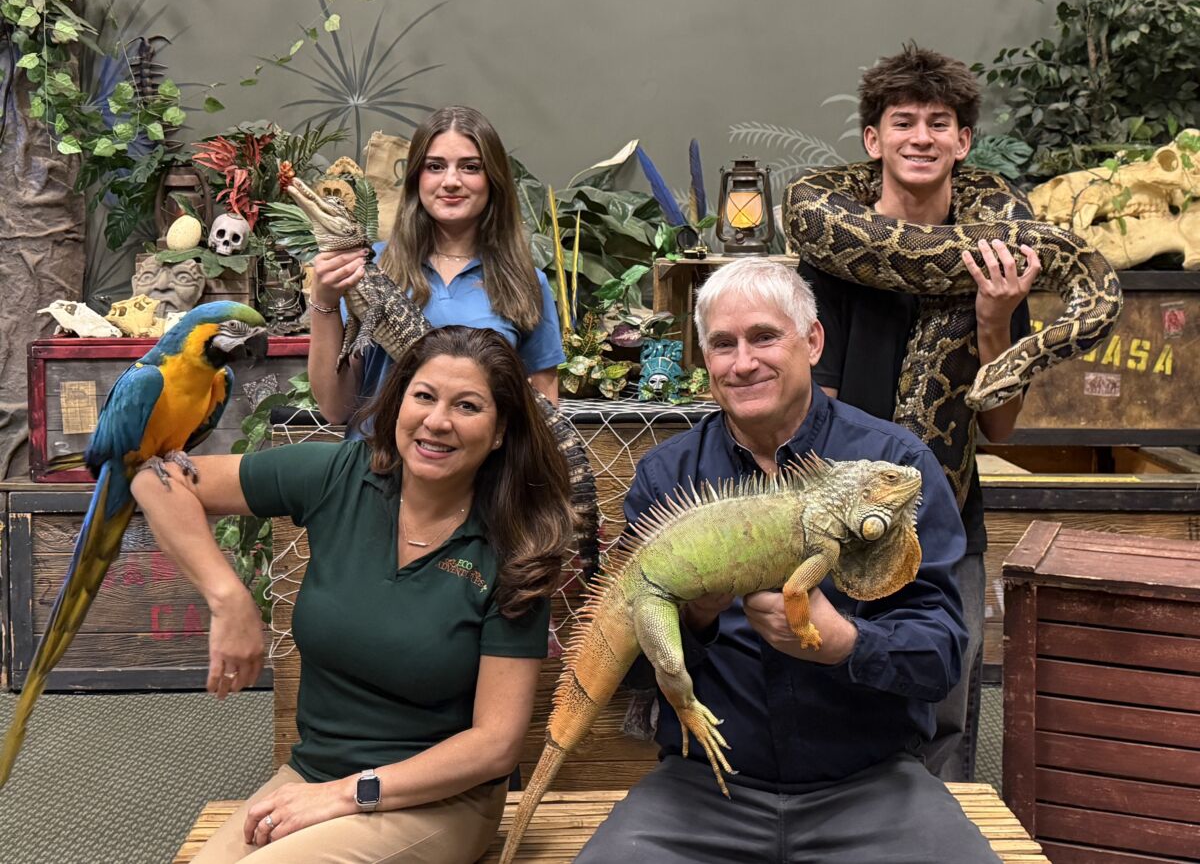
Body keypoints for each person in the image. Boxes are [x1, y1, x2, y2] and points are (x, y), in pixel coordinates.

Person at [575, 258, 1000, 863]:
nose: (743, 362)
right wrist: (693, 618)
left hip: (872, 787)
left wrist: (846, 643)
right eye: (723, 344)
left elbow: (942, 656)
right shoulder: (669, 478)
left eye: (764, 337)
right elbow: (634, 672)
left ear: (813, 341)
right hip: (705, 789)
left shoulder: (893, 465)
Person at [132, 326, 575, 864]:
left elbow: (495, 746)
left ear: (500, 431)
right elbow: (156, 482)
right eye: (424, 396)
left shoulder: (515, 547)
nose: (438, 421)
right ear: (399, 402)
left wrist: (346, 795)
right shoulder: (341, 476)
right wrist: (228, 597)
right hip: (312, 776)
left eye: (467, 406)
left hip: (435, 801)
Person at [797, 44, 1039, 782]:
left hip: (948, 526)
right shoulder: (832, 261)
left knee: (943, 708)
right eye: (904, 122)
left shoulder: (999, 262)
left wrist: (994, 320)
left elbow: (1001, 429)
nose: (922, 137)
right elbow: (817, 412)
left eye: (940, 123)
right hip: (848, 528)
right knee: (838, 698)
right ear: (874, 141)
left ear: (963, 142)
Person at [307, 105, 564, 433]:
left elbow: (544, 411)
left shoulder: (525, 281)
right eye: (435, 166)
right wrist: (324, 302)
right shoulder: (369, 268)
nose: (451, 181)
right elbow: (336, 408)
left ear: (493, 178)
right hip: (376, 457)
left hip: (480, 463)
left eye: (470, 167)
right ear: (417, 178)